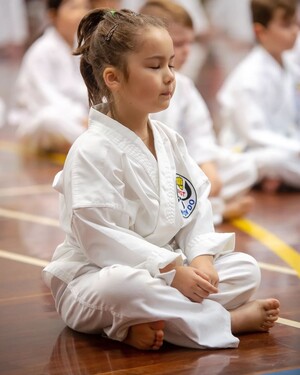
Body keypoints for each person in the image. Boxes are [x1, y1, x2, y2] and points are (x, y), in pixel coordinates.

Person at [42, 8, 280, 351]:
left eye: (171, 64)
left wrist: (200, 259)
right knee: (125, 288)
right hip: (96, 277)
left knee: (245, 269)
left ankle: (139, 325)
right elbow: (99, 238)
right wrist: (171, 270)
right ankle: (227, 321)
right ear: (113, 78)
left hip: (169, 270)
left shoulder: (169, 140)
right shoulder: (90, 149)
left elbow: (194, 205)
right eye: (155, 67)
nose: (170, 76)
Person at [140, 0, 256, 224]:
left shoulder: (184, 86)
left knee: (244, 167)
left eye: (190, 43)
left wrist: (207, 164)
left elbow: (200, 133)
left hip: (183, 170)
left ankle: (206, 207)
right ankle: (215, 211)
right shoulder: (141, 84)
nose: (186, 52)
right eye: (179, 43)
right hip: (152, 171)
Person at [217, 0, 300, 193]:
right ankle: (268, 175)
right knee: (275, 160)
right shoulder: (248, 77)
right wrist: (296, 147)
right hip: (250, 151)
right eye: (286, 25)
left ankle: (274, 178)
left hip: (288, 145)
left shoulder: (291, 67)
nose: (295, 31)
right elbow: (254, 135)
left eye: (295, 23)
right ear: (260, 31)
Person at [7, 0, 90, 154]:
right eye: (74, 8)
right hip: (39, 122)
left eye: (85, 7)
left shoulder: (82, 48)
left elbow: (86, 91)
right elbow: (47, 98)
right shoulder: (40, 52)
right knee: (49, 119)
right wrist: (81, 118)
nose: (81, 13)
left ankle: (88, 142)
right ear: (53, 15)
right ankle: (90, 147)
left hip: (78, 119)